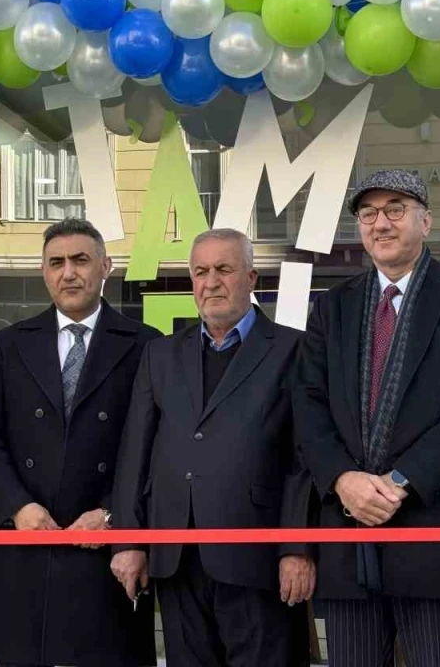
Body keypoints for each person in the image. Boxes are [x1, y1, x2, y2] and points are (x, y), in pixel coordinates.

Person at [294, 169, 440, 667]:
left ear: (426, 221)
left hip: (436, 536)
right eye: (368, 214)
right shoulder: (333, 306)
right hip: (350, 532)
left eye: (395, 209)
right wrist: (342, 479)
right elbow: (307, 402)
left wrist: (400, 482)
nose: (381, 223)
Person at [111, 228, 315, 667]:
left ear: (252, 278)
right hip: (176, 555)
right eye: (201, 272)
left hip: (257, 557)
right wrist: (128, 540)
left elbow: (303, 461)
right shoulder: (161, 355)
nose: (211, 282)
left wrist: (295, 548)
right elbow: (135, 454)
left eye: (224, 269)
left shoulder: (294, 349)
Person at [0, 218, 159, 667]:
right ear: (44, 272)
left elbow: (154, 446)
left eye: (80, 260)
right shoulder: (10, 344)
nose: (68, 273)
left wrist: (111, 513)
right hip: (26, 542)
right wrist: (16, 506)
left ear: (105, 266)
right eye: (56, 263)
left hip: (104, 546)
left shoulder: (146, 345)